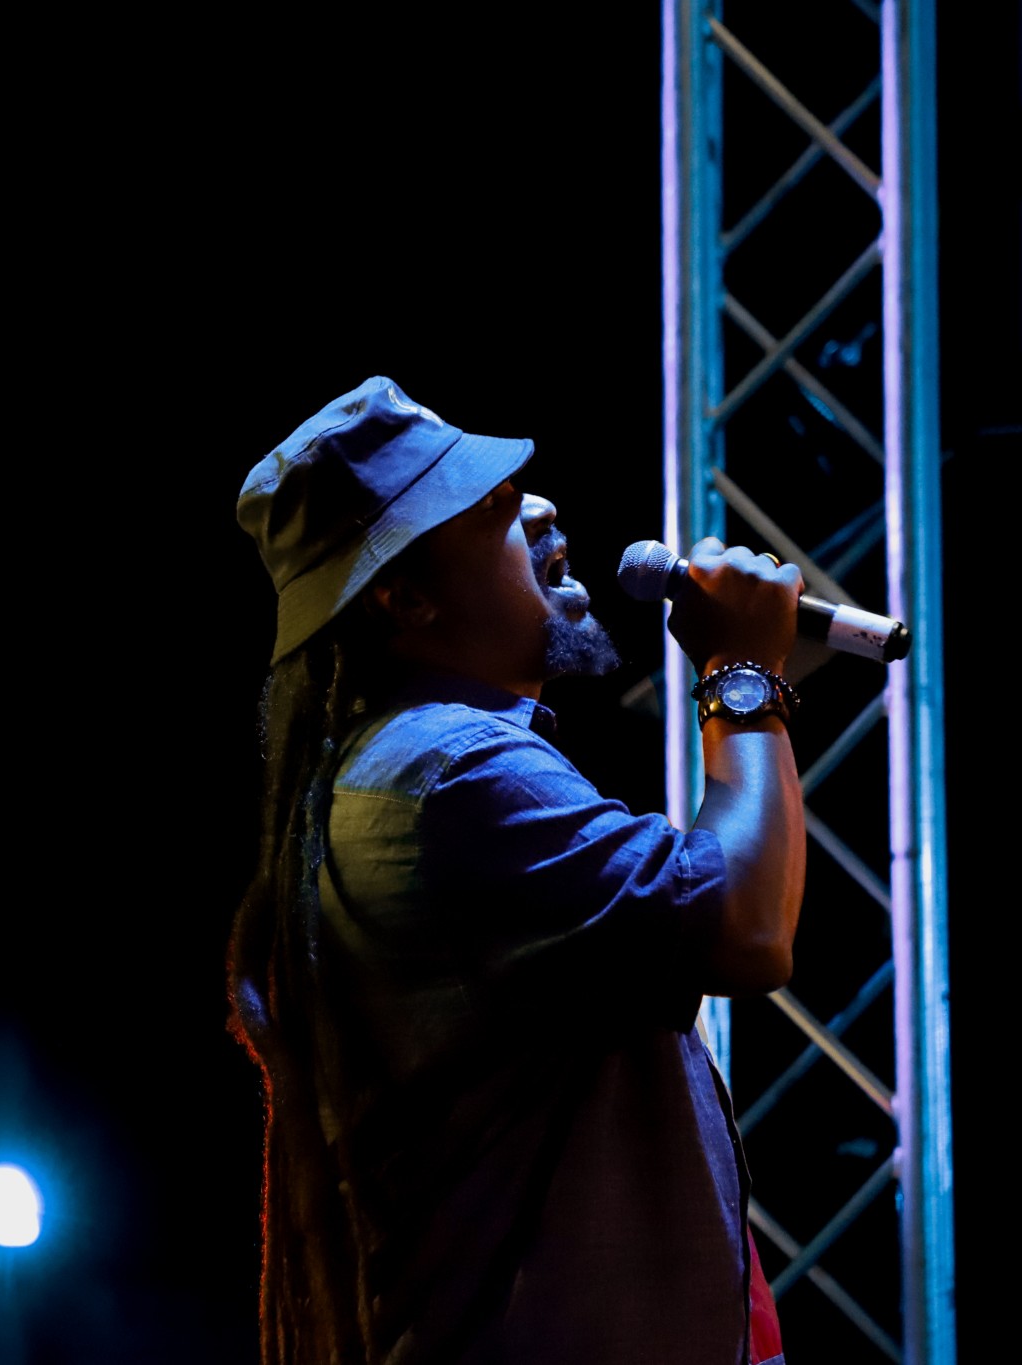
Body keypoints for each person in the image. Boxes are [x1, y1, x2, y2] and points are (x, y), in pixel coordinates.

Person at [229, 375, 805, 1365]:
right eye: (487, 505)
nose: (537, 507)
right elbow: (745, 926)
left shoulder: (403, 772)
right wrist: (741, 678)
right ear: (405, 597)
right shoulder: (449, 773)